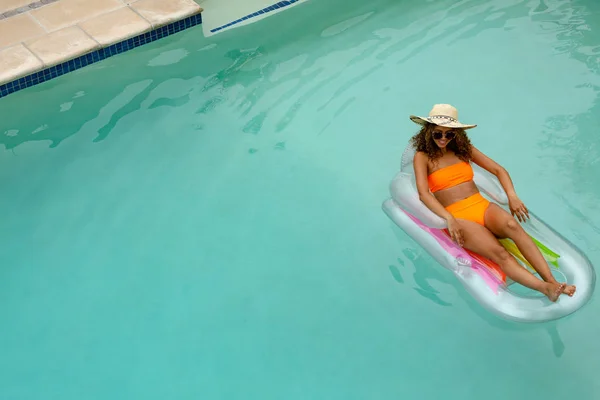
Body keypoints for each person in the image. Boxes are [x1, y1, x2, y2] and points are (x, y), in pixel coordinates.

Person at [409, 104, 576, 302]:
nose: (444, 139)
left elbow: (499, 170)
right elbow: (423, 194)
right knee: (500, 254)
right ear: (428, 132)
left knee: (513, 226)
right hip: (458, 216)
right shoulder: (422, 156)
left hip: (480, 206)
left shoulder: (463, 150)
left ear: (456, 135)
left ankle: (552, 281)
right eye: (438, 134)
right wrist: (448, 218)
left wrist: (512, 196)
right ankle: (545, 288)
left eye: (449, 134)